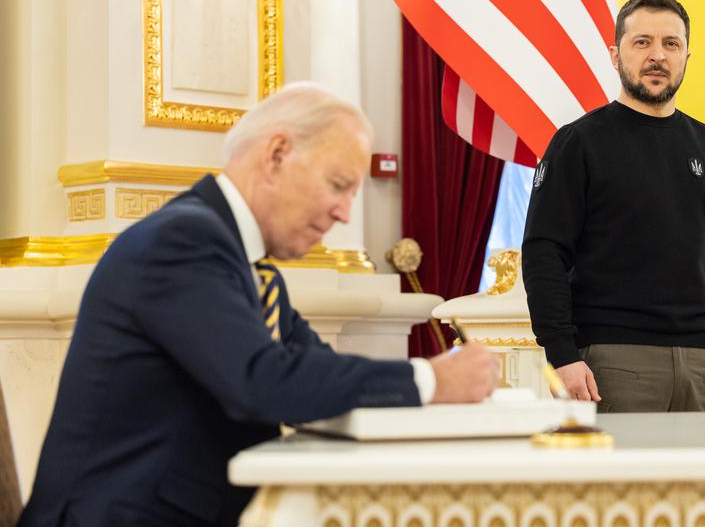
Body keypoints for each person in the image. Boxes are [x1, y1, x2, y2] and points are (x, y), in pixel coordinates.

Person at [19, 83, 499, 526]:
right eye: (338, 184)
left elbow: (312, 373)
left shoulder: (248, 265)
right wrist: (433, 378)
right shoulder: (183, 239)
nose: (345, 212)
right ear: (277, 154)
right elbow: (261, 381)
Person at [522, 0, 705, 416]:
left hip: (701, 362)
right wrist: (562, 354)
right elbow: (544, 252)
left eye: (670, 44)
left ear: (687, 56)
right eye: (642, 43)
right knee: (619, 486)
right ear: (616, 55)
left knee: (700, 485)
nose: (657, 55)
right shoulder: (578, 143)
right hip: (610, 363)